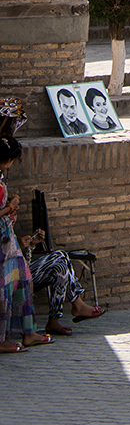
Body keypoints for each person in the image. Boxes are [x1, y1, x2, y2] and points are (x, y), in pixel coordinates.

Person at [0, 137, 51, 351]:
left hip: (8, 242)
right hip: (3, 247)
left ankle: (28, 332)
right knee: (3, 290)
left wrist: (9, 207)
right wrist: (8, 208)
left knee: (23, 279)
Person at [19, 223, 107, 334]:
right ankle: (68, 311)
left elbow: (24, 261)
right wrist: (19, 246)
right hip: (11, 278)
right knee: (60, 263)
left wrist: (31, 245)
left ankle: (64, 313)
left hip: (22, 271)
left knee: (61, 258)